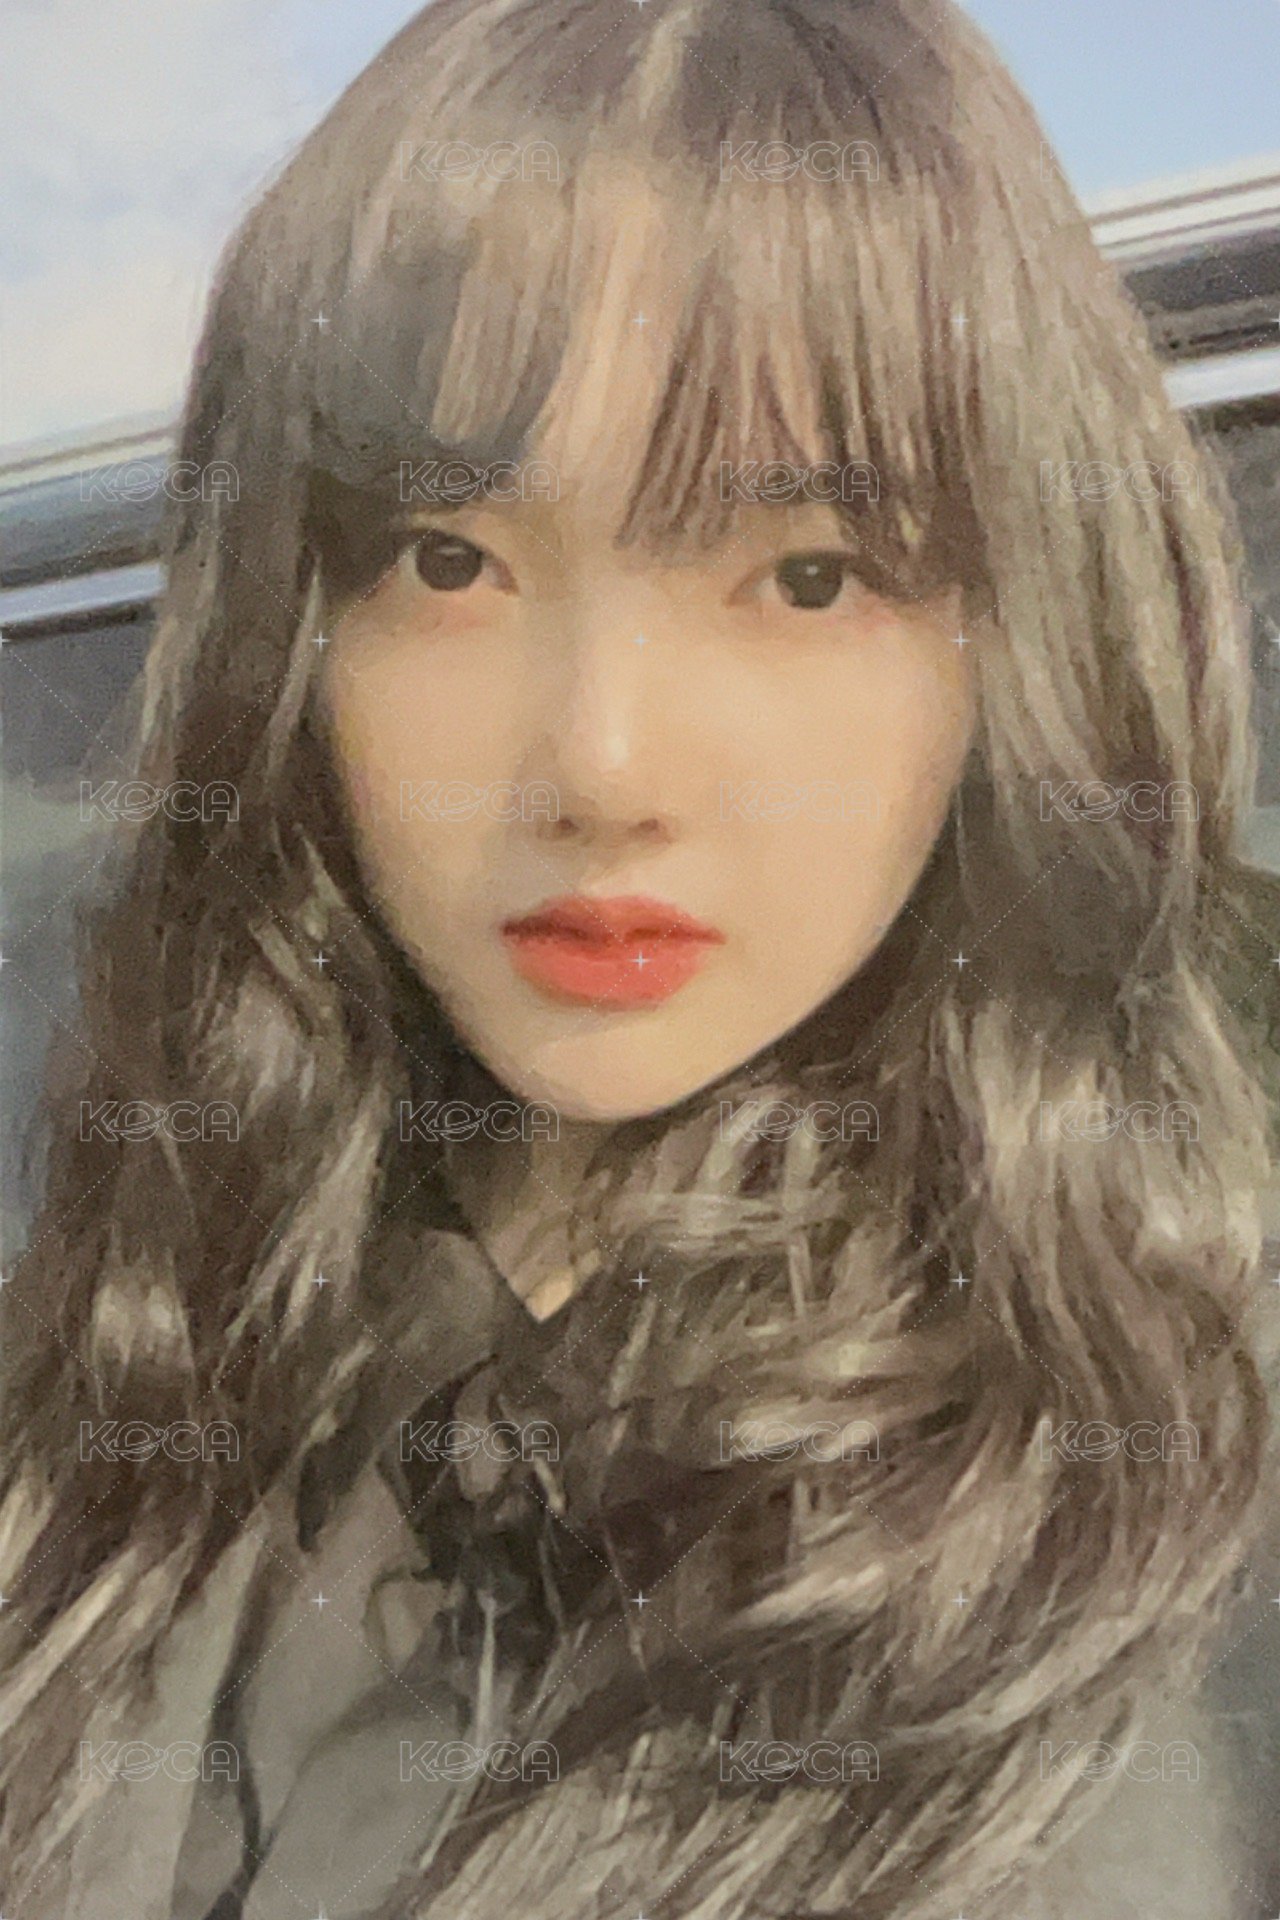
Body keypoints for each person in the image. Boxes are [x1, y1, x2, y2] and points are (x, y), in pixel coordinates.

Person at [3, 2, 1279, 1915]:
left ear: (1016, 646)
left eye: (810, 576)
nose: (601, 767)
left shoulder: (1195, 1519)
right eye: (447, 562)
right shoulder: (114, 1358)